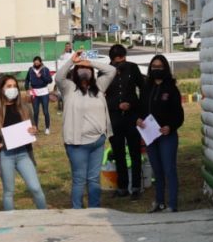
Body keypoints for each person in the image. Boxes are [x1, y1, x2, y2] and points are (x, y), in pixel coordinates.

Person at [57, 49, 115, 209]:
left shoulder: (99, 86)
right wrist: (72, 61)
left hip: (97, 141)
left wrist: (91, 63)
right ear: (75, 72)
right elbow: (58, 76)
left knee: (94, 178)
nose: (84, 70)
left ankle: (94, 209)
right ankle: (77, 210)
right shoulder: (68, 88)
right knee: (79, 179)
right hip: (77, 144)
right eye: (81, 69)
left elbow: (112, 70)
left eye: (87, 69)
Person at [0, 75, 47, 211]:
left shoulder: (25, 108)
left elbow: (32, 127)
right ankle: (10, 222)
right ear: (2, 89)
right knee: (9, 192)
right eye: (9, 86)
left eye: (15, 86)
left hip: (23, 154)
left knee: (36, 188)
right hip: (5, 155)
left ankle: (45, 216)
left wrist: (34, 130)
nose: (12, 89)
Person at [139, 55, 184, 213]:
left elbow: (179, 115)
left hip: (167, 136)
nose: (156, 69)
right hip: (150, 136)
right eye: (153, 67)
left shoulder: (171, 89)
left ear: (165, 68)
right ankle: (159, 202)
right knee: (156, 170)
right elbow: (141, 109)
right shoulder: (146, 88)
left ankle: (172, 204)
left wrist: (170, 127)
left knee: (169, 169)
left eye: (159, 67)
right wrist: (138, 119)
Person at [105, 44, 145, 199]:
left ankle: (136, 187)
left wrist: (135, 107)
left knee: (135, 152)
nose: (121, 64)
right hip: (114, 117)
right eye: (117, 62)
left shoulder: (133, 68)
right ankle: (122, 186)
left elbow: (143, 88)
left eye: (123, 60)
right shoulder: (105, 72)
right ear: (112, 61)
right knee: (118, 152)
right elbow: (100, 96)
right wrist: (116, 105)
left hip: (132, 116)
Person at [24, 56, 52, 134]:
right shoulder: (31, 70)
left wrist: (42, 76)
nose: (36, 63)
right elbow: (27, 79)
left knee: (45, 111)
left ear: (40, 62)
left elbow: (49, 80)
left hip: (44, 93)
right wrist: (27, 89)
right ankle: (35, 128)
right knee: (35, 112)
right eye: (35, 62)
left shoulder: (45, 69)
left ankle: (47, 128)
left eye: (37, 62)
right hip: (35, 93)